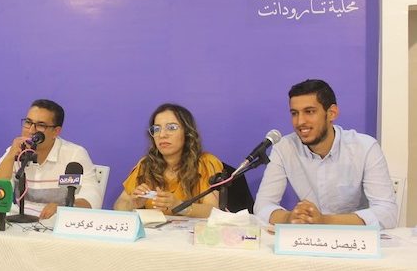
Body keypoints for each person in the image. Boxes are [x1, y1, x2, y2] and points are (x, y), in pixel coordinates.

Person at [254, 79, 398, 228]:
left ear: (332, 113)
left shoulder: (365, 147)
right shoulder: (284, 148)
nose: (300, 121)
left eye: (309, 112)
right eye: (294, 113)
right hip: (308, 238)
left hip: (355, 237)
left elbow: (387, 213)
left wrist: (324, 221)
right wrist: (289, 218)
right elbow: (262, 206)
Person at [0, 99, 101, 219]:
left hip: (57, 222)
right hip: (22, 223)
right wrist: (10, 156)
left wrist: (65, 207)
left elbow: (93, 198)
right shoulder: (16, 151)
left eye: (40, 125)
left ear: (56, 131)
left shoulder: (74, 154)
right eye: (28, 122)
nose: (31, 130)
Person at [114, 103, 223, 217]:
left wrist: (180, 206)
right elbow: (119, 204)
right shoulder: (146, 165)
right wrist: (132, 204)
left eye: (171, 128)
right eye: (156, 129)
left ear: (187, 133)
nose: (162, 135)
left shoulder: (206, 162)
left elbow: (214, 211)